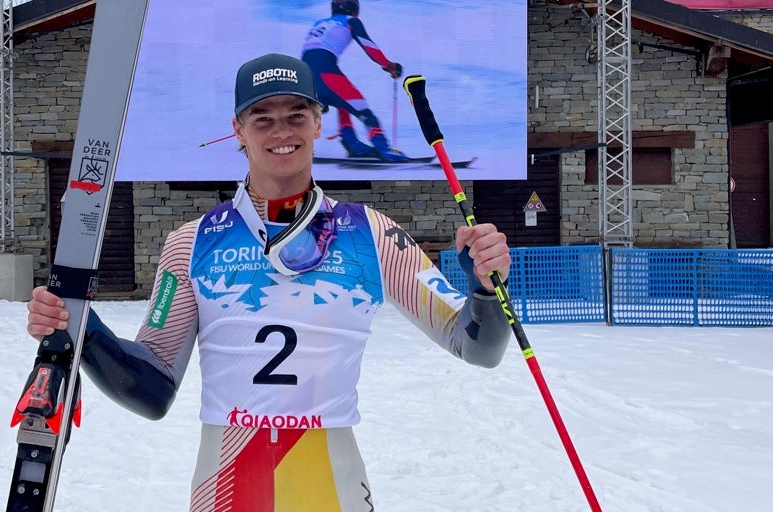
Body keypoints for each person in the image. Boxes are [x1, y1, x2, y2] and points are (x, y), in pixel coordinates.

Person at [26, 53, 512, 511]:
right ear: (238, 130)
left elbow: (478, 349)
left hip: (331, 484)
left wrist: (484, 289)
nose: (281, 130)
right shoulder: (191, 243)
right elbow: (150, 391)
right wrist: (81, 329)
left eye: (296, 114)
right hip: (228, 484)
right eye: (262, 117)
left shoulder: (372, 234)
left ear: (319, 123)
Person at [301, 0, 407, 162]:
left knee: (342, 103)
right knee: (364, 113)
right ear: (354, 8)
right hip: (326, 75)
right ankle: (384, 149)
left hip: (305, 79)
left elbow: (309, 52)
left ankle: (352, 143)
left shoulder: (319, 23)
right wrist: (390, 66)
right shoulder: (351, 21)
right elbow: (369, 47)